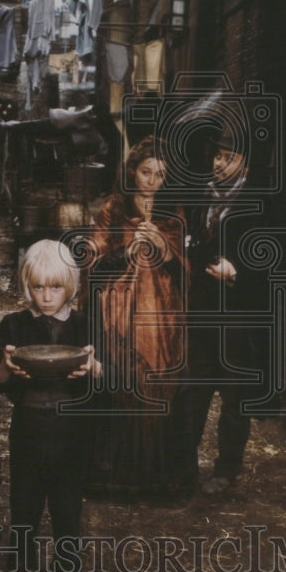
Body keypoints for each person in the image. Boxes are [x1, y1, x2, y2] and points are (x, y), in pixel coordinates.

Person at [0, 240, 98, 572]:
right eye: (38, 288)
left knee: (67, 520)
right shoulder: (13, 327)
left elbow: (108, 379)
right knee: (23, 518)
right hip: (27, 432)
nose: (47, 296)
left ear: (70, 285)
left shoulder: (85, 326)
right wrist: (6, 365)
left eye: (55, 287)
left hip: (72, 434)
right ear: (27, 286)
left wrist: (95, 366)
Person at [87, 135, 189, 496]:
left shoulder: (173, 213)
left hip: (160, 312)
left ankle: (152, 476)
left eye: (160, 174)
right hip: (118, 312)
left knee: (155, 383)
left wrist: (165, 250)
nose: (152, 181)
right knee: (122, 383)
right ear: (133, 171)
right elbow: (94, 267)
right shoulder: (113, 210)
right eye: (146, 172)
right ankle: (116, 475)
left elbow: (184, 272)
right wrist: (127, 249)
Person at [183, 130, 267, 494]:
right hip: (202, 311)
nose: (218, 163)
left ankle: (226, 469)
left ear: (244, 165)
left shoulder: (263, 203)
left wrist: (238, 274)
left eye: (227, 158)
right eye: (216, 156)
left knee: (234, 397)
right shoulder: (202, 195)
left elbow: (278, 262)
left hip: (238, 315)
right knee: (193, 389)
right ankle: (182, 464)